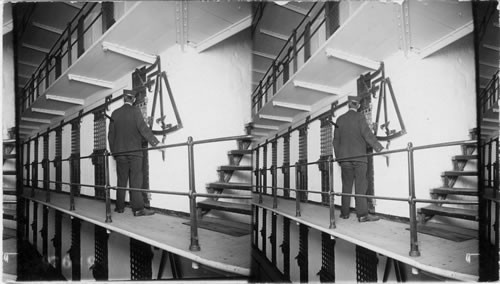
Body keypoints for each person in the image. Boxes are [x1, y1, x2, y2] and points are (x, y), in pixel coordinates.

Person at [108, 91, 165, 217]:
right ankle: (138, 209)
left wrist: (114, 152)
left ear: (124, 99)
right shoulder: (135, 111)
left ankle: (119, 207)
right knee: (136, 180)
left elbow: (111, 136)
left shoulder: (115, 113)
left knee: (121, 180)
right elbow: (143, 128)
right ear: (133, 99)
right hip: (135, 152)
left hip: (120, 153)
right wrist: (157, 143)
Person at [333, 96, 384, 222]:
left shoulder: (339, 119)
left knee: (346, 185)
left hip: (344, 159)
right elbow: (367, 135)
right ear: (358, 106)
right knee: (361, 186)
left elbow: (336, 141)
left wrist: (340, 158)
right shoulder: (360, 117)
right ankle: (362, 215)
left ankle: (344, 213)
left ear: (348, 105)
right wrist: (381, 149)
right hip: (359, 158)